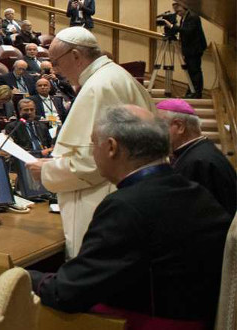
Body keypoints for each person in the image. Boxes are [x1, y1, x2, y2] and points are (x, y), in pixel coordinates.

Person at [29, 105, 231, 329]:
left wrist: (23, 277)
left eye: (94, 143)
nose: (93, 152)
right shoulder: (192, 189)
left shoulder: (126, 206)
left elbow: (67, 293)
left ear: (112, 147)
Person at [25, 27, 155, 259]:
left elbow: (90, 165)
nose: (56, 70)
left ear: (75, 55)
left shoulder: (99, 87)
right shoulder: (116, 76)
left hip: (104, 201)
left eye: (56, 61)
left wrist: (47, 171)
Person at [156, 99, 236, 216]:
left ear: (179, 126)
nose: (156, 133)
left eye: (159, 126)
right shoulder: (198, 153)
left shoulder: (199, 162)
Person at [164, 1, 207, 99]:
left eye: (179, 11)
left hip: (194, 49)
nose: (178, 13)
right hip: (188, 48)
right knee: (190, 71)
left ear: (184, 7)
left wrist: (171, 26)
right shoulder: (184, 17)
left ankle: (196, 93)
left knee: (194, 71)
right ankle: (191, 91)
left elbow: (188, 31)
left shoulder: (193, 17)